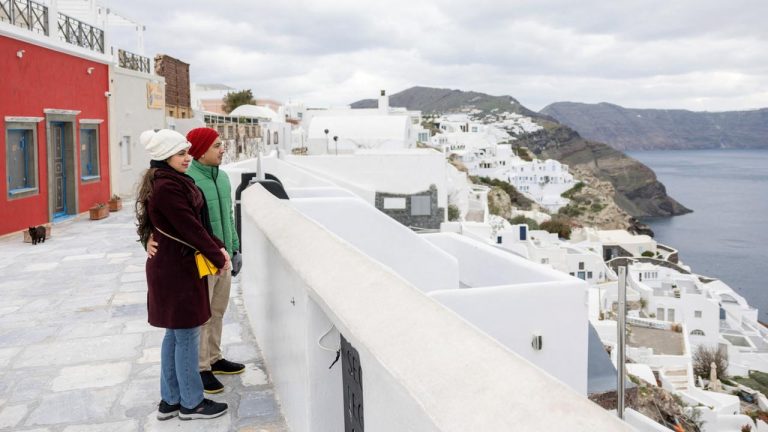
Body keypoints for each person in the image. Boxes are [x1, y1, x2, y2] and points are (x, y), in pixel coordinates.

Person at [135, 129, 231, 421]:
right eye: (181, 153)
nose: (187, 158)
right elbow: (190, 227)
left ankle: (170, 401)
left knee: (175, 336)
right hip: (176, 270)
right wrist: (218, 255)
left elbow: (177, 224)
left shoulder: (166, 181)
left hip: (171, 266)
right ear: (165, 156)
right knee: (187, 335)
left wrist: (219, 247)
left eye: (187, 152)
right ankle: (192, 403)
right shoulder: (168, 187)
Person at [185, 127, 245, 393]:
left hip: (223, 257)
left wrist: (234, 248)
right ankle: (201, 368)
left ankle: (214, 357)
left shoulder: (222, 178)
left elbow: (229, 216)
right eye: (217, 146)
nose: (223, 150)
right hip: (202, 258)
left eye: (222, 145)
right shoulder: (188, 179)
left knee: (218, 310)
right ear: (200, 151)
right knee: (203, 314)